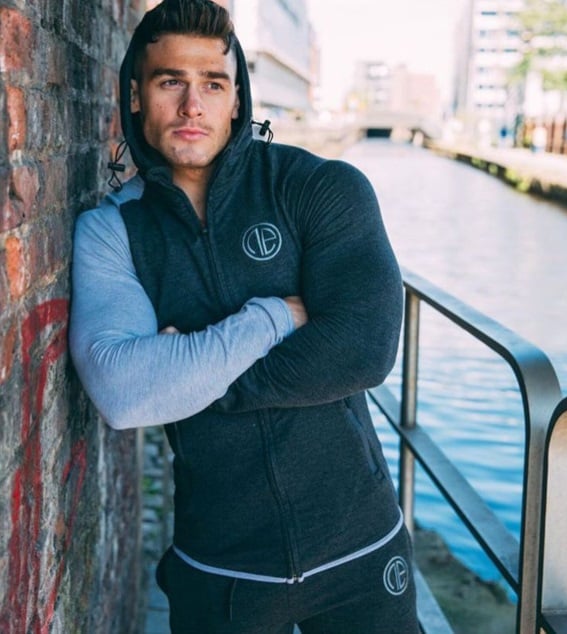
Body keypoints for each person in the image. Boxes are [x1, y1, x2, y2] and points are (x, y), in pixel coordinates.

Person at [69, 1, 418, 632]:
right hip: (220, 564)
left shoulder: (318, 188)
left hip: (359, 546)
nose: (192, 106)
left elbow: (364, 349)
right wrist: (271, 319)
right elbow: (123, 393)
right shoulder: (112, 231)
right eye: (170, 82)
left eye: (213, 84)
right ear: (136, 97)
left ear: (237, 100)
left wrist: (191, 377)